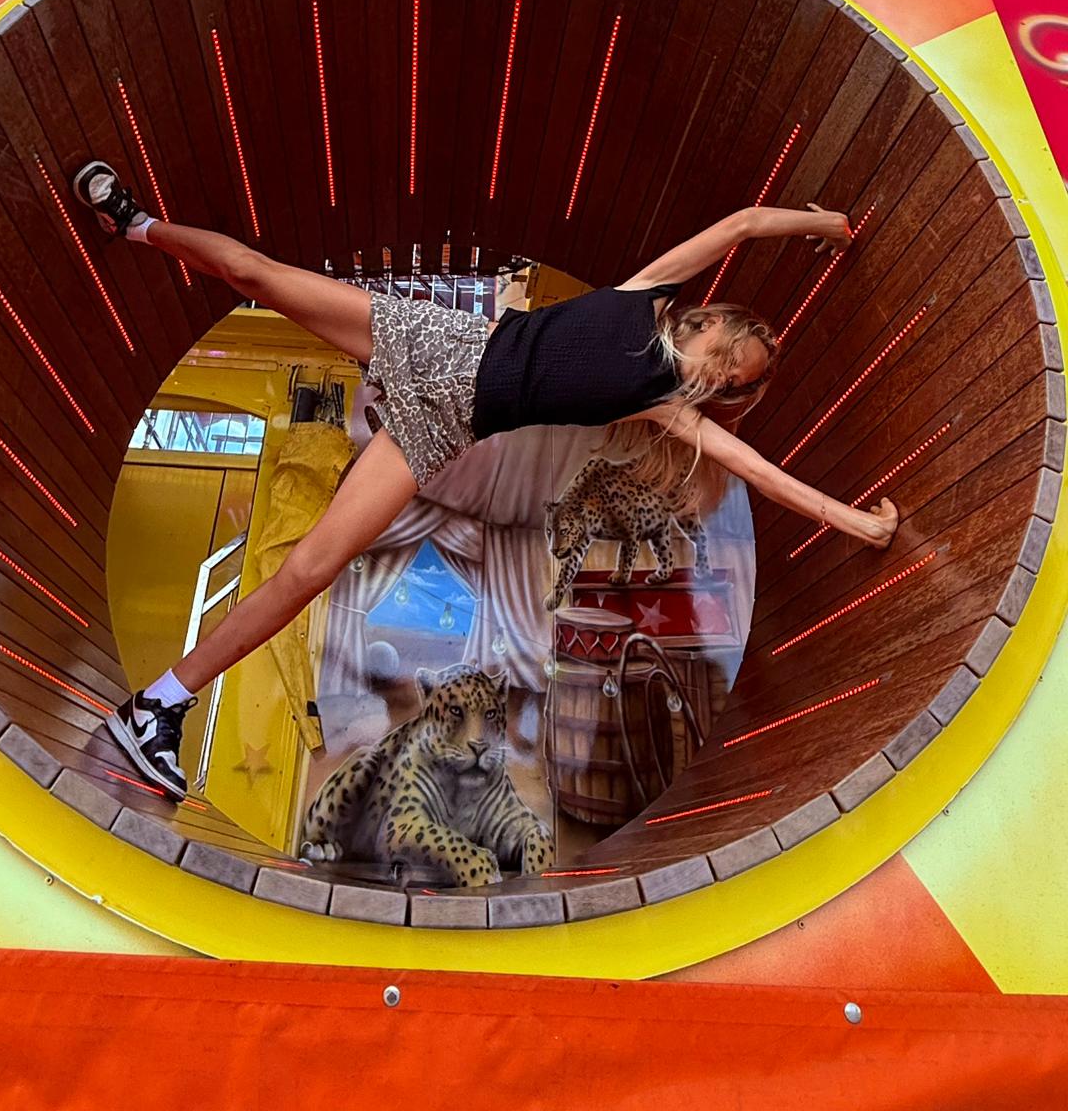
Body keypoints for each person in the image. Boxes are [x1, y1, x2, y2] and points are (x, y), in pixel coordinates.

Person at [72, 160, 898, 800]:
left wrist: (855, 523)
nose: (716, 377)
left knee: (311, 569)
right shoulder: (644, 292)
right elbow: (746, 223)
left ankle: (158, 707)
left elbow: (764, 474)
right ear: (709, 323)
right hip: (434, 340)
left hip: (440, 429)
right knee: (256, 275)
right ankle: (137, 224)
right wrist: (824, 223)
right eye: (725, 358)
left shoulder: (661, 406)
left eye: (730, 383)